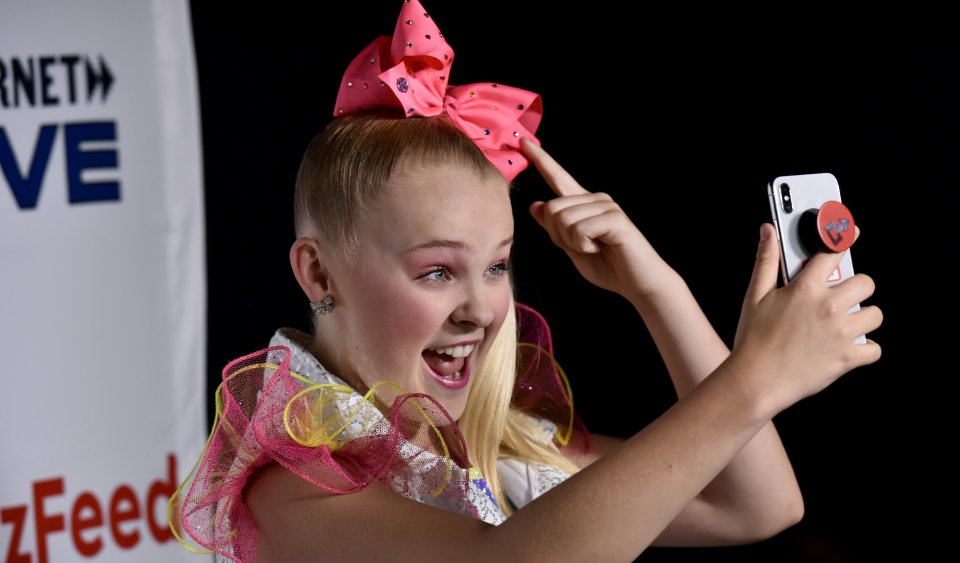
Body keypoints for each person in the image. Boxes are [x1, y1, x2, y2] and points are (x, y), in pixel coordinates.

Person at [169, 2, 883, 561]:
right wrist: (757, 376)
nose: (481, 307)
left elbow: (756, 506)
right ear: (318, 270)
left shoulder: (501, 448)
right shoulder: (290, 489)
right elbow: (512, 559)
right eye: (439, 270)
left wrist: (655, 288)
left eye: (498, 264)